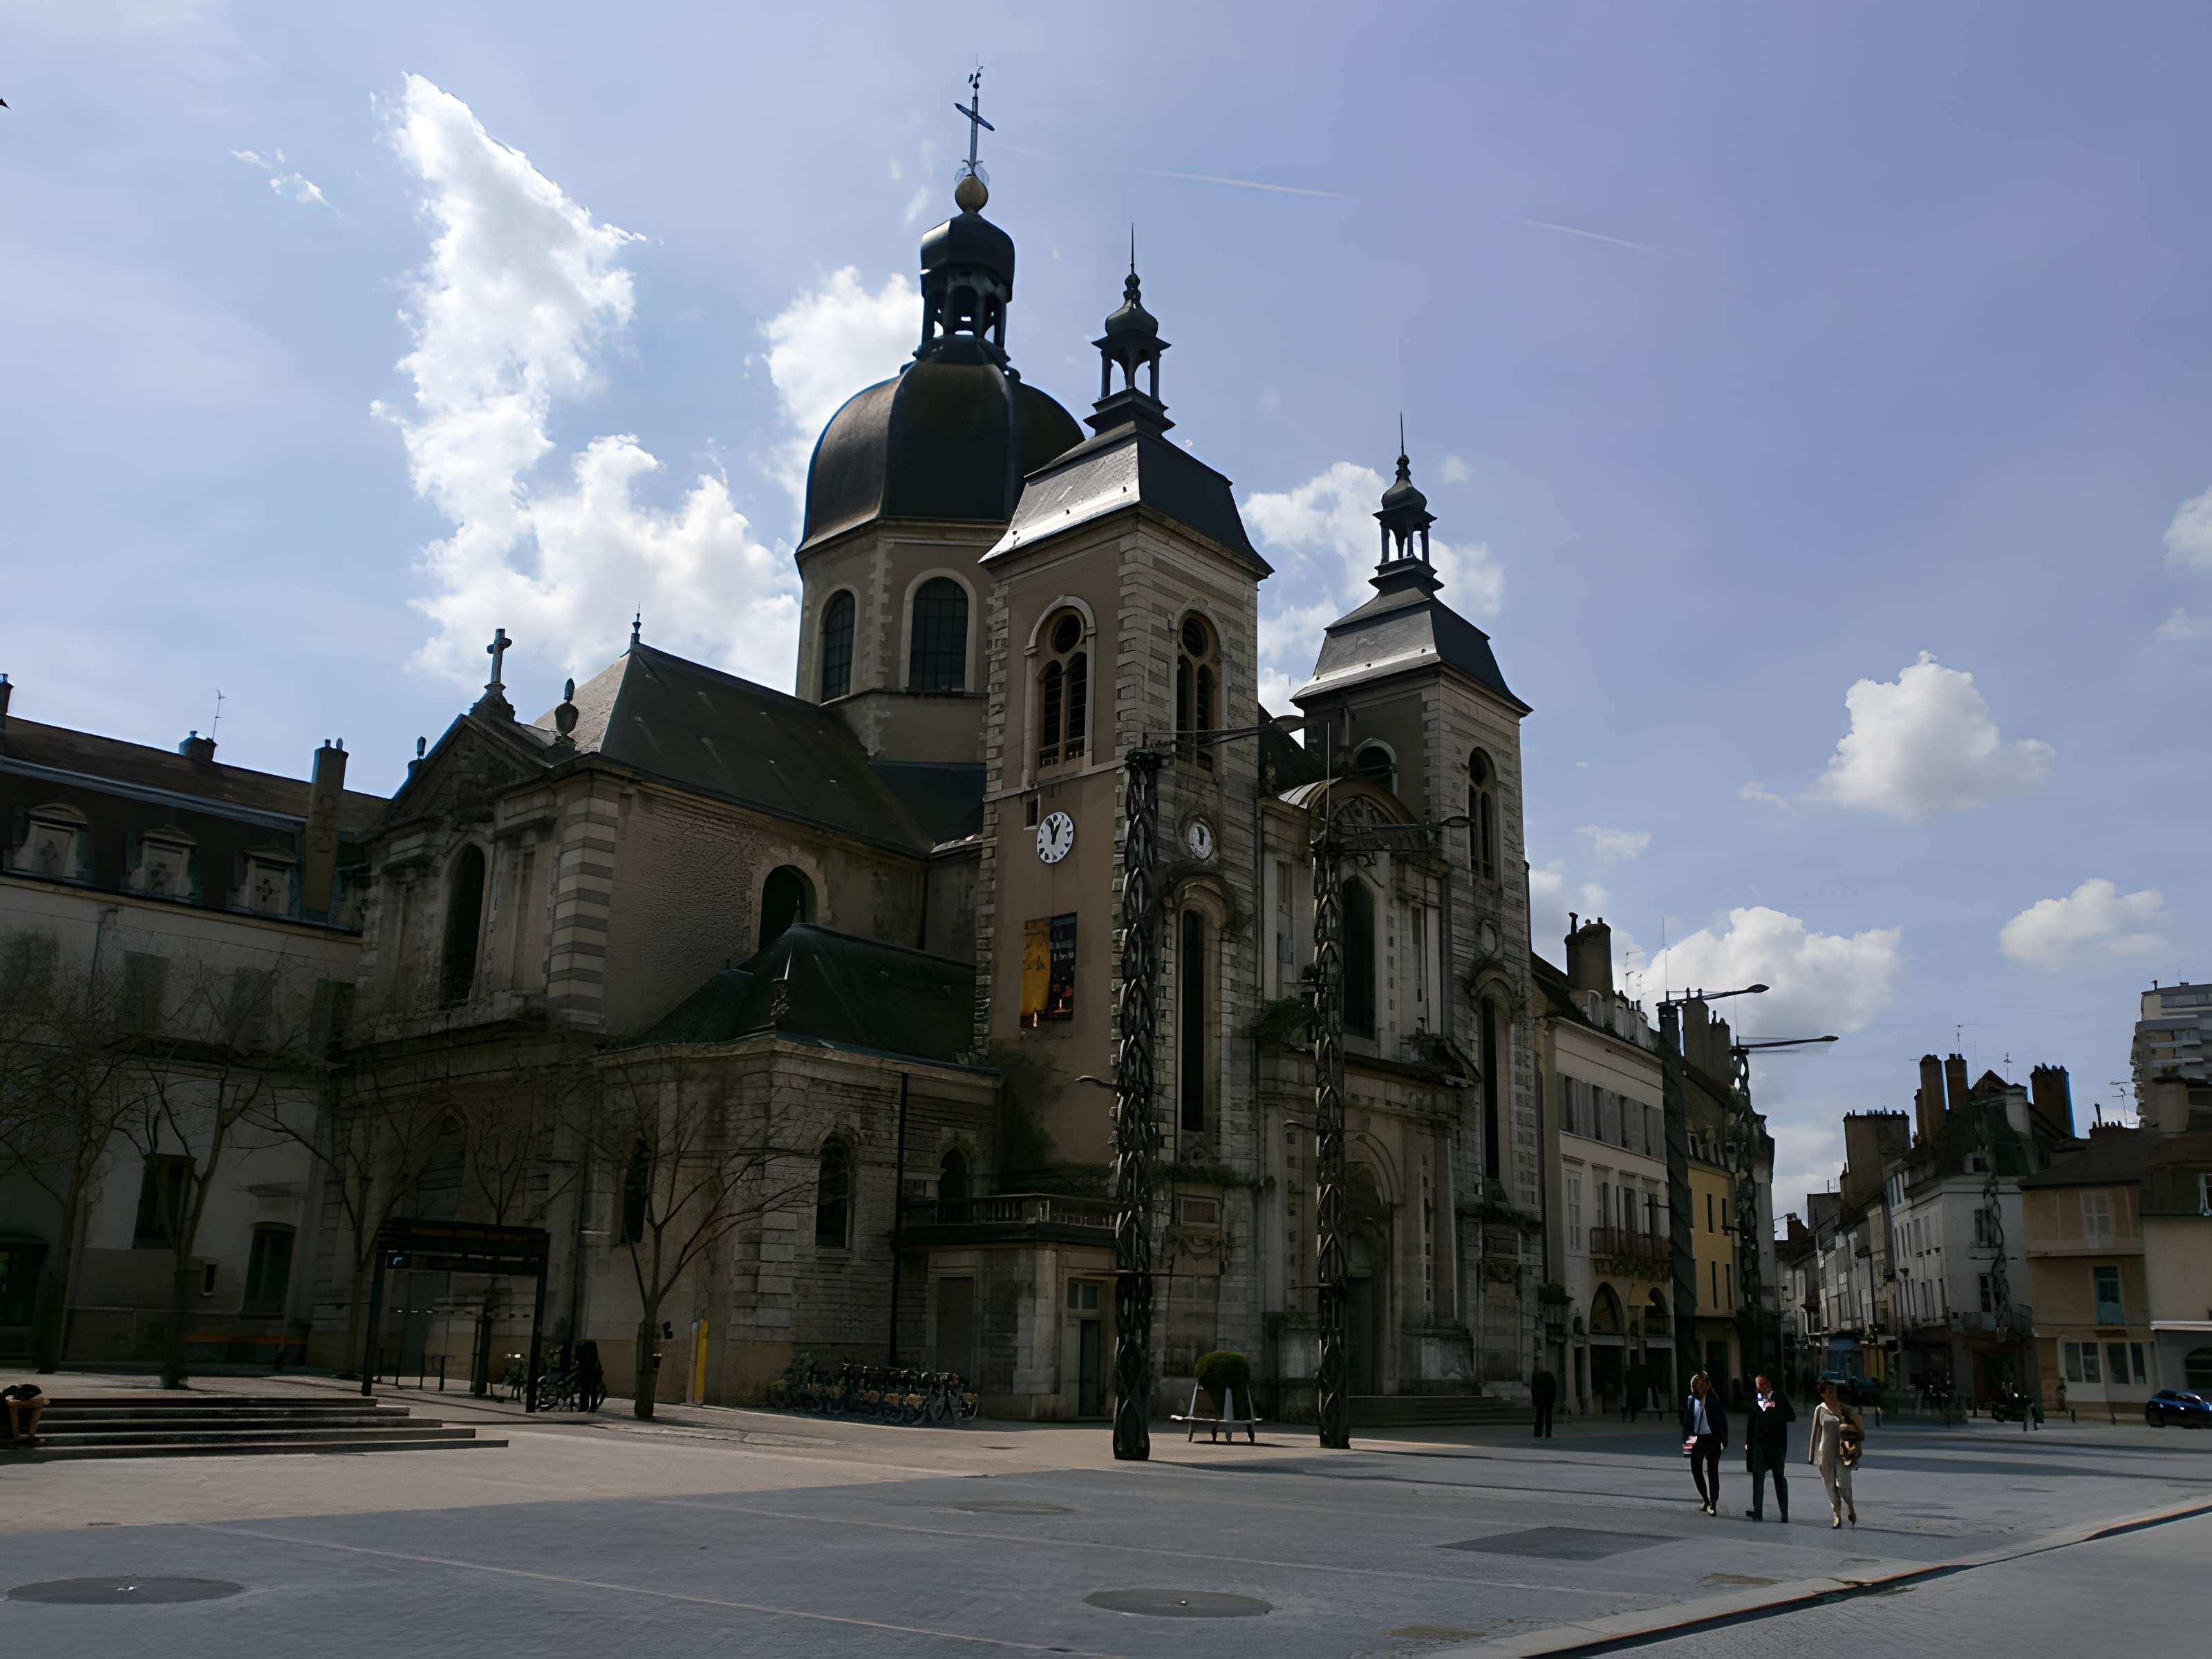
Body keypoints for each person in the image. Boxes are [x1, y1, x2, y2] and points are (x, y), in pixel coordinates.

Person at [1809, 1378, 1862, 1528]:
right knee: (1830, 1486)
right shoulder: (1820, 1410)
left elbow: (1857, 1430)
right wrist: (1812, 1457)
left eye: (1835, 1391)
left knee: (1845, 1487)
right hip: (1825, 1454)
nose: (1833, 1395)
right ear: (1822, 1394)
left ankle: (1850, 1508)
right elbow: (1815, 1433)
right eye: (1830, 1392)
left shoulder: (1845, 1409)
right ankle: (1837, 1515)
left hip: (1843, 1454)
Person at [1744, 1373, 1795, 1522]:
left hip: (1776, 1445)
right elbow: (1751, 1424)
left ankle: (1784, 1513)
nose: (1762, 1388)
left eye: (1764, 1384)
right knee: (1758, 1477)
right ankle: (1758, 1511)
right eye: (1759, 1386)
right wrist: (1748, 1443)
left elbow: (1791, 1416)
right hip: (1759, 1445)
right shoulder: (1756, 1402)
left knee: (1779, 1478)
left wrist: (1772, 1411)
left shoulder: (1779, 1398)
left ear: (1769, 1385)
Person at [1680, 1370, 1728, 1516]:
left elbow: (1722, 1422)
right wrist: (1686, 1442)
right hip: (1696, 1439)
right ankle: (1705, 1499)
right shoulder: (1691, 1400)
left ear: (1706, 1387)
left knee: (1712, 1471)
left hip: (1712, 1439)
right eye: (1693, 1387)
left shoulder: (1714, 1401)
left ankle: (1713, 1502)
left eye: (1697, 1387)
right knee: (1696, 1469)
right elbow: (1688, 1422)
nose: (1694, 1390)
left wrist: (1723, 1441)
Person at [2, 1382, 46, 1449]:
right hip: (5, 1419)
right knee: (14, 1406)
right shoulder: (11, 1392)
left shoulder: (35, 1397)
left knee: (38, 1405)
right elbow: (11, 1403)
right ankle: (17, 1438)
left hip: (18, 1415)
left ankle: (31, 1437)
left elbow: (44, 1401)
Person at [575, 1339, 606, 1412]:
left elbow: (578, 1360)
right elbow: (595, 1358)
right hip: (592, 1372)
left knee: (585, 1390)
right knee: (593, 1390)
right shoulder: (592, 1350)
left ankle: (584, 1406)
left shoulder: (580, 1348)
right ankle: (592, 1406)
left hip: (584, 1372)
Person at [1531, 1365, 1557, 1439]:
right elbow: (1534, 1390)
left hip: (1546, 1399)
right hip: (1544, 1400)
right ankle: (1543, 1433)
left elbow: (1553, 1388)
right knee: (1543, 1417)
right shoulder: (1537, 1375)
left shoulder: (1539, 1375)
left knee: (1543, 1417)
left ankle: (1541, 1433)